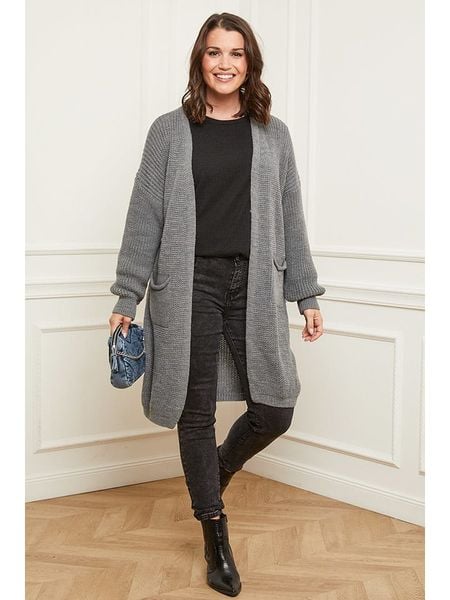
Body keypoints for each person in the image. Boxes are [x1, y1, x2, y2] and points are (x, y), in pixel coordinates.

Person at [109, 12, 325, 597]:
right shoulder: (169, 131)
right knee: (195, 409)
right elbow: (144, 215)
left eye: (236, 53)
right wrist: (128, 293)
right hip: (188, 285)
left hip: (255, 283)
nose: (224, 63)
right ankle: (214, 530)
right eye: (214, 52)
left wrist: (305, 292)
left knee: (274, 408)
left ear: (249, 62)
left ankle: (217, 469)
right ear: (199, 60)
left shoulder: (273, 134)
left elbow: (291, 217)